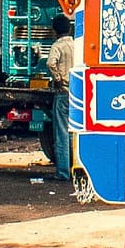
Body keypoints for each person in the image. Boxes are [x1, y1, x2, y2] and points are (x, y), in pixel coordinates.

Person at [45, 12, 74, 181]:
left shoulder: (57, 46)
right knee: (74, 131)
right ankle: (77, 167)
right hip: (79, 93)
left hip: (63, 92)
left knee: (62, 133)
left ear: (55, 31)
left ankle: (63, 172)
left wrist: (57, 79)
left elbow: (50, 63)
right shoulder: (77, 44)